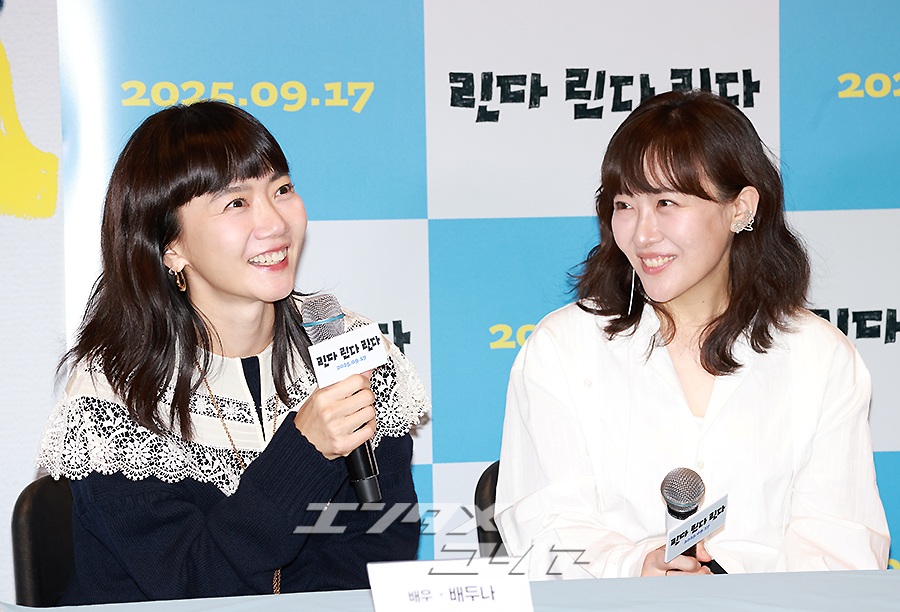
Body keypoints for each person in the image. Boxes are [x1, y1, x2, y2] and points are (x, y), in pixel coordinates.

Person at [37, 100, 429, 604]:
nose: (275, 223)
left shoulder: (344, 344)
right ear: (170, 246)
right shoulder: (114, 394)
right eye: (236, 203)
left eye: (281, 190)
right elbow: (192, 584)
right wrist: (305, 451)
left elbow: (380, 549)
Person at [494, 89, 889, 579]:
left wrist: (730, 587)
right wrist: (633, 568)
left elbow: (842, 546)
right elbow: (542, 530)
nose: (642, 234)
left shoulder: (818, 356)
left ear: (740, 208)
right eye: (625, 204)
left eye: (666, 203)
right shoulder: (562, 348)